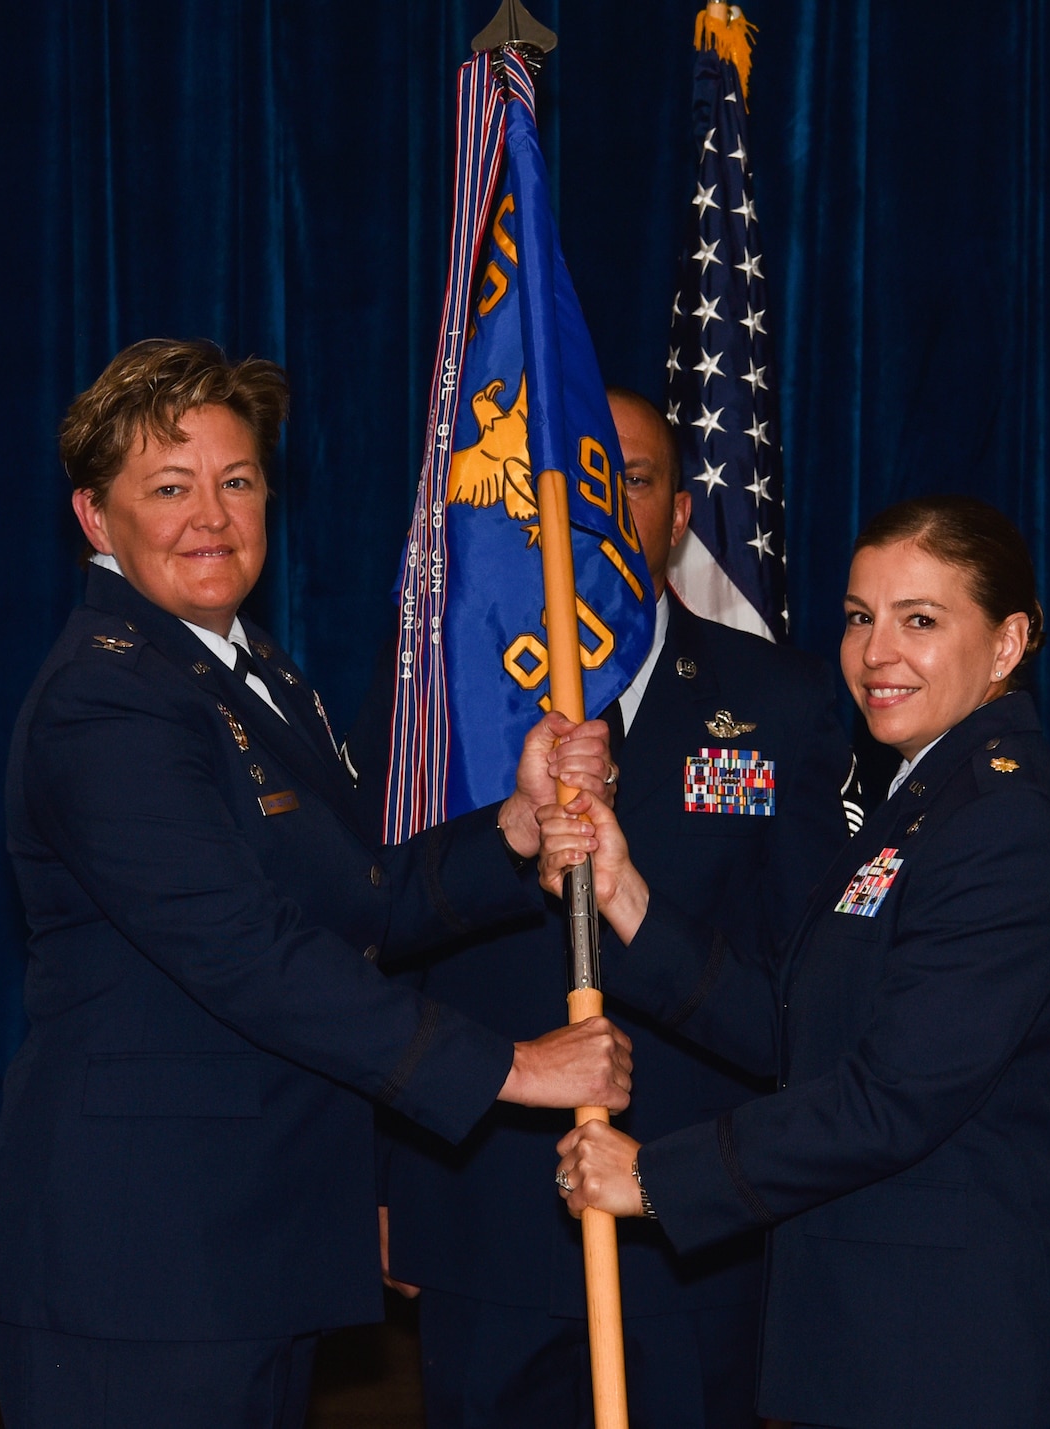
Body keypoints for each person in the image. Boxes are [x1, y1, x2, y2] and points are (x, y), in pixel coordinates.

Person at [0, 339, 634, 1429]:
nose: (211, 517)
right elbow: (244, 951)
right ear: (96, 520)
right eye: (169, 489)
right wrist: (509, 1068)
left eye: (236, 482)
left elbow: (353, 896)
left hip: (244, 1246)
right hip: (140, 1266)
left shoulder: (247, 670)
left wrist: (513, 830)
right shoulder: (108, 702)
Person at [543, 494, 1050, 1429]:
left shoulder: (1006, 826)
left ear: (1008, 644)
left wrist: (656, 1178)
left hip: (954, 1361)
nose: (877, 652)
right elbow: (798, 1026)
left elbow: (892, 1097)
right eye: (859, 617)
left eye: (919, 621)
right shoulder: (923, 797)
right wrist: (624, 896)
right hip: (869, 1345)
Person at [351, 389, 854, 1428]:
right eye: (578, 475)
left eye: (631, 477)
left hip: (689, 1227)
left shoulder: (782, 702)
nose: (601, 500)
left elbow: (801, 984)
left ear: (676, 514)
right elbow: (375, 943)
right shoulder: (443, 703)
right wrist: (382, 1181)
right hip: (476, 1213)